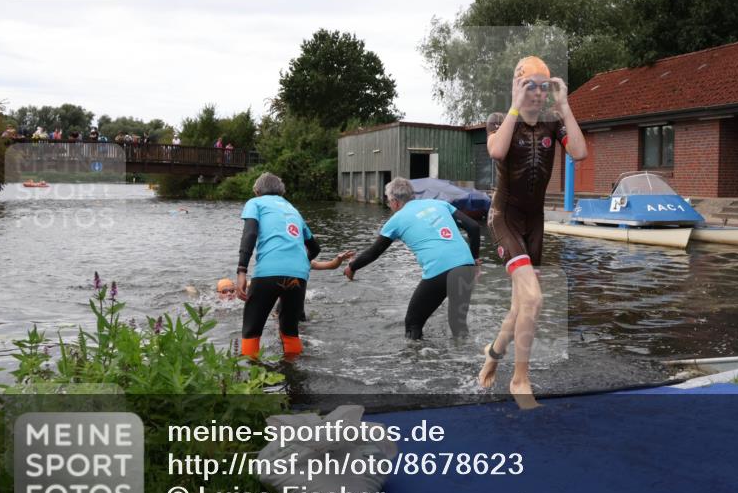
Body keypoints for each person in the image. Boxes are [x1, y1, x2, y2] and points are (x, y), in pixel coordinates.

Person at [477, 56, 587, 408]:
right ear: (517, 86)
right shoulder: (499, 119)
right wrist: (515, 105)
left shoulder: (553, 123)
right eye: (530, 86)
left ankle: (492, 355)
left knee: (521, 306)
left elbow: (580, 152)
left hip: (535, 223)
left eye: (543, 87)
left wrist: (565, 106)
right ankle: (520, 379)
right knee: (535, 299)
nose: (538, 93)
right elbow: (497, 151)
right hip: (504, 218)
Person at [344, 177, 480, 341]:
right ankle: (466, 355)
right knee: (458, 325)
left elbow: (373, 253)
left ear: (395, 202)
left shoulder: (396, 220)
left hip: (439, 269)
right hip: (466, 267)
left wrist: (352, 267)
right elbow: (474, 227)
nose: (389, 205)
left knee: (413, 323)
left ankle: (415, 357)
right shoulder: (439, 204)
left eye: (388, 201)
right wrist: (474, 260)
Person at [236, 172, 352, 358]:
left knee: (252, 330)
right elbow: (315, 248)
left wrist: (241, 270)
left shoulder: (255, 203)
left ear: (257, 191)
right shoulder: (292, 209)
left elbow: (249, 234)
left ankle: (250, 371)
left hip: (268, 272)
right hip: (298, 276)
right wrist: (302, 264)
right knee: (290, 331)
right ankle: (292, 369)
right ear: (281, 192)